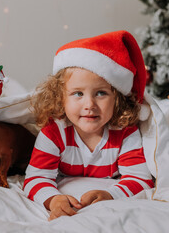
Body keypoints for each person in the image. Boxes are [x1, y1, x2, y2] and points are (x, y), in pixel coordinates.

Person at [23, 30, 154, 220]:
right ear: (61, 97)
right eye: (78, 93)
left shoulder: (125, 131)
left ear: (117, 98)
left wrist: (111, 194)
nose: (89, 105)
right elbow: (36, 177)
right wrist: (53, 200)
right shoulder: (54, 132)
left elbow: (140, 178)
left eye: (101, 93)